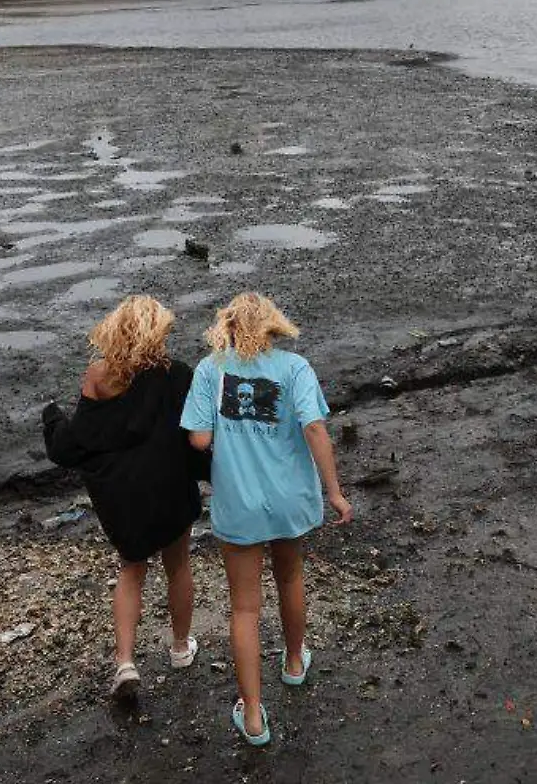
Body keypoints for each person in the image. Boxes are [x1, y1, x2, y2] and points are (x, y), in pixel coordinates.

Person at [182, 293, 351, 746]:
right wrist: (333, 491)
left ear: (229, 326)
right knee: (291, 578)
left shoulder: (209, 369)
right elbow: (314, 428)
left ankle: (253, 714)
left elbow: (198, 439)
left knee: (244, 607)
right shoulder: (295, 367)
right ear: (275, 326)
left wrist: (225, 438)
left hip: (240, 501)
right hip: (289, 497)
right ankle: (294, 663)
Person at [42, 295, 205, 702]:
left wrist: (51, 419)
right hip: (169, 484)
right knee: (178, 565)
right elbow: (193, 436)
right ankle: (181, 648)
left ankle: (126, 662)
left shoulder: (98, 376)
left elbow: (81, 437)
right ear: (157, 333)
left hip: (122, 494)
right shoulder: (179, 374)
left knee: (131, 570)